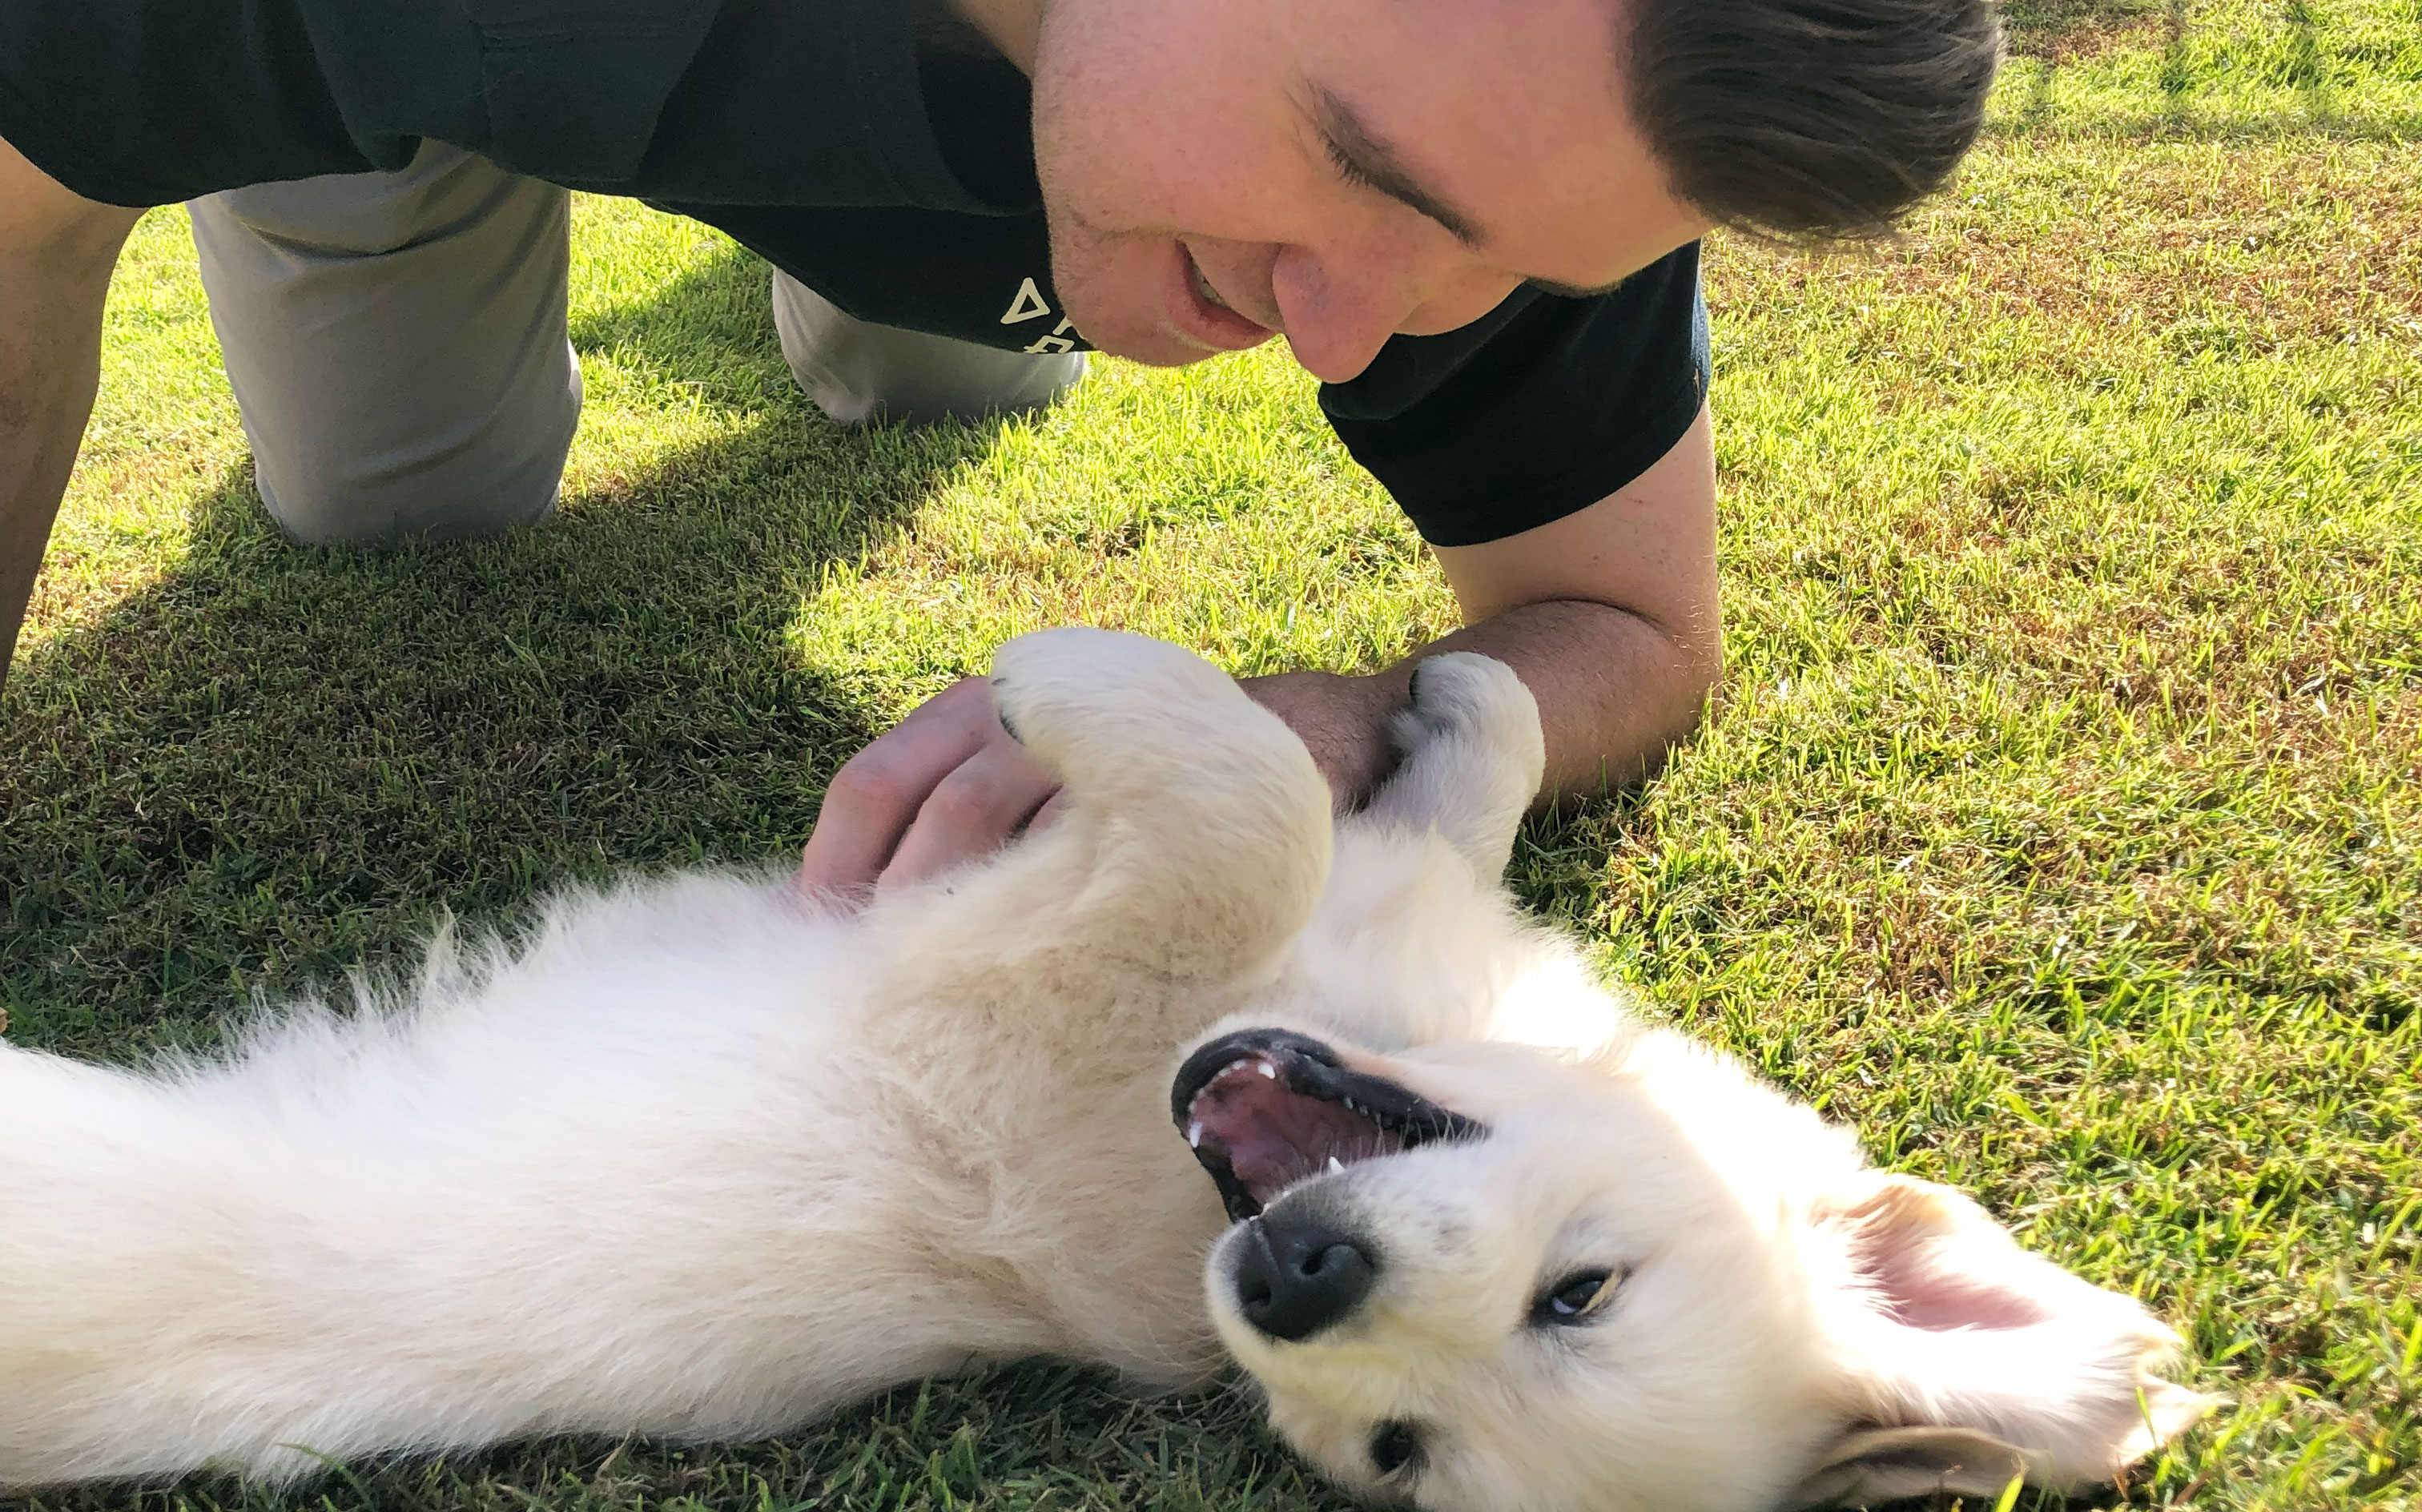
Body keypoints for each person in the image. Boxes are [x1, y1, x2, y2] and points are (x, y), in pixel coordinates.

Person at [0, 0, 1999, 895]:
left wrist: (1319, 731)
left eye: (1491, 269)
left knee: (948, 367)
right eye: (1354, 171)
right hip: (435, 73)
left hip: (986, 130)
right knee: (398, 497)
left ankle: (900, 284)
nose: (1346, 333)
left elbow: (1625, 622)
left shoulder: (1553, 111)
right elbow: (20, 216)